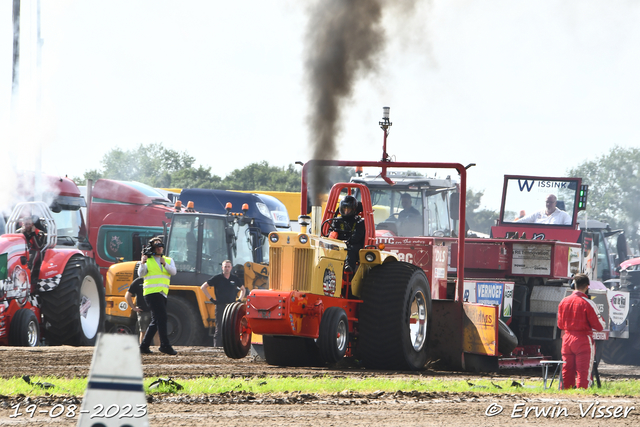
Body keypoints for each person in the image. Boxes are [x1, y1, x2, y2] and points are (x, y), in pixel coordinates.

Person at [557, 273, 606, 389]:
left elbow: (560, 324)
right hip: (583, 340)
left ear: (573, 285)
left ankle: (565, 393)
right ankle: (582, 394)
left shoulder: (563, 301)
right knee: (584, 372)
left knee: (567, 370)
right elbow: (600, 326)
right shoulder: (588, 303)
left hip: (567, 339)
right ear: (587, 286)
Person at [138, 237, 178, 355]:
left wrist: (164, 264)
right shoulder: (147, 261)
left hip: (162, 293)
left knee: (156, 320)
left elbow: (173, 272)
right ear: (152, 248)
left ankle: (144, 346)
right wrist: (142, 263)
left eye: (161, 246)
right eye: (157, 246)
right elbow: (141, 274)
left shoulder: (168, 260)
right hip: (151, 293)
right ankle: (165, 345)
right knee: (162, 318)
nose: (160, 248)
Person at [201, 260, 246, 347]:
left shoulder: (234, 279)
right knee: (219, 328)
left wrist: (239, 300)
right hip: (220, 306)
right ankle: (217, 348)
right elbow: (203, 287)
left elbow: (243, 289)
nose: (227, 268)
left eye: (228, 266)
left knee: (232, 327)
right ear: (222, 268)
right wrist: (211, 299)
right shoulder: (217, 278)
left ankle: (231, 347)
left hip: (231, 307)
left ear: (231, 268)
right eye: (225, 266)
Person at [329, 195, 365, 272]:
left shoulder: (359, 221)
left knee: (350, 249)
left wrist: (348, 241)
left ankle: (349, 266)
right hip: (338, 243)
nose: (346, 211)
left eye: (348, 209)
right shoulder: (336, 220)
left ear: (354, 209)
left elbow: (358, 235)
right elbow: (331, 231)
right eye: (344, 209)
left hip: (353, 244)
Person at [125, 277, 160, 346]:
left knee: (156, 332)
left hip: (154, 311)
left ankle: (158, 351)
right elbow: (127, 295)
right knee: (143, 332)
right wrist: (133, 307)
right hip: (142, 311)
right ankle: (143, 350)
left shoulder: (154, 280)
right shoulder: (138, 281)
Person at [17, 215, 46, 282]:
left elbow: (39, 246)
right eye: (26, 224)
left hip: (35, 251)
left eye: (29, 224)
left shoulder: (40, 233)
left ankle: (27, 279)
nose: (28, 226)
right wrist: (23, 234)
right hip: (22, 251)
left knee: (32, 255)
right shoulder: (19, 232)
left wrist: (33, 234)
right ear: (23, 224)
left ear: (32, 224)